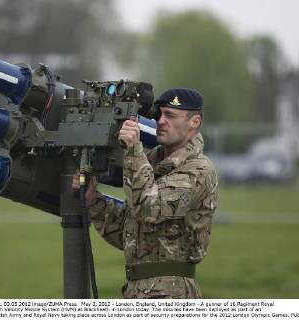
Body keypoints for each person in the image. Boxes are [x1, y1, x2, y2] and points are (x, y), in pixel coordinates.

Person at [75, 88, 218, 298]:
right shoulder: (151, 163)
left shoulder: (199, 170)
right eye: (159, 115)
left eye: (170, 115)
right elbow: (130, 235)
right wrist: (93, 199)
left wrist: (133, 150)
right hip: (137, 290)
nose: (160, 121)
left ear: (194, 122)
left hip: (170, 294)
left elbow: (149, 209)